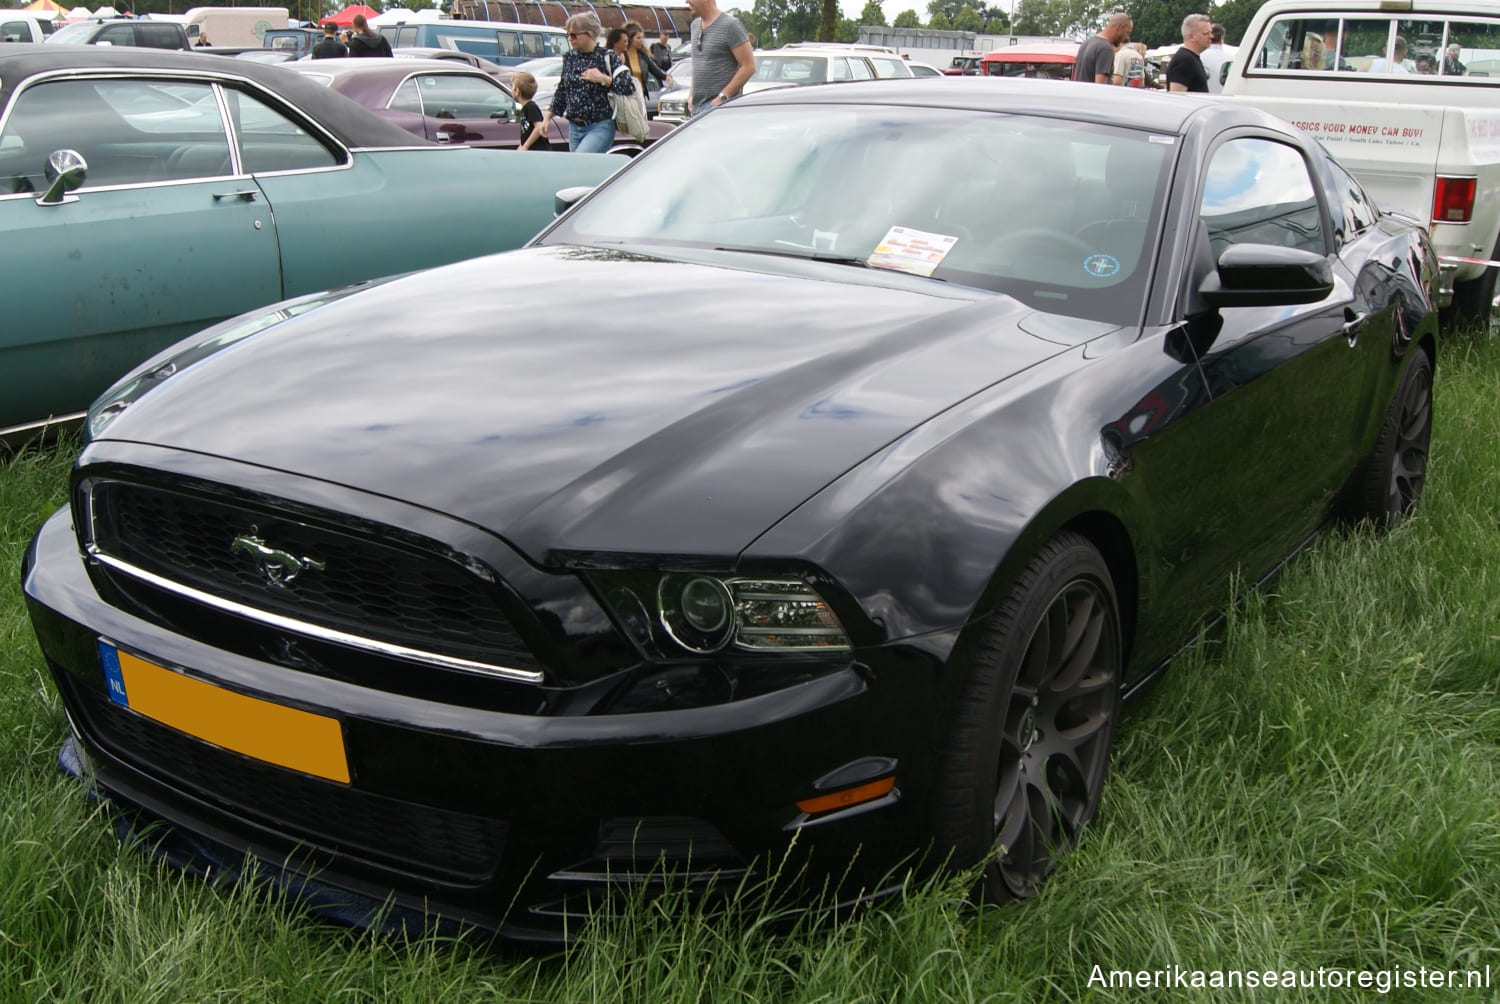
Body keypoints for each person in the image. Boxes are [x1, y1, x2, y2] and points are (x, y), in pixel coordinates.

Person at [541, 13, 636, 153]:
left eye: (574, 35)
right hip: (574, 127)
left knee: (578, 163)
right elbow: (562, 90)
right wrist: (547, 118)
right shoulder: (570, 57)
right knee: (580, 171)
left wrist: (603, 79)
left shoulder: (607, 56)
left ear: (589, 34)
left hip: (599, 125)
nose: (570, 39)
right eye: (568, 35)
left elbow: (628, 86)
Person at [686, 0, 754, 115]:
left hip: (722, 112)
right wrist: (691, 94)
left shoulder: (731, 26)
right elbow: (698, 64)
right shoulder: (694, 26)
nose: (686, 1)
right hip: (696, 110)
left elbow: (749, 67)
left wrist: (721, 99)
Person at [622, 21, 669, 114]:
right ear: (630, 38)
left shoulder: (642, 55)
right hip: (627, 97)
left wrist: (666, 76)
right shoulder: (621, 55)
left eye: (642, 37)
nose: (641, 40)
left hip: (640, 96)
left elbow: (655, 69)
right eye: (638, 38)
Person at [1073, 12, 1131, 83]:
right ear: (1120, 28)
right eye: (1127, 33)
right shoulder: (1105, 49)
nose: (1126, 37)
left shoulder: (1086, 43)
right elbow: (1100, 87)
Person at [1166, 13, 1212, 92]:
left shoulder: (1191, 58)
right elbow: (1177, 97)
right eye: (1206, 33)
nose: (1211, 36)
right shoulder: (1184, 61)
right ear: (1191, 36)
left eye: (1211, 32)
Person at [512, 71, 551, 151]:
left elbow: (538, 127)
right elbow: (525, 132)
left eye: (512, 86)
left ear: (517, 91)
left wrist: (526, 146)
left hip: (538, 150)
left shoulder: (531, 107)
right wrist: (521, 145)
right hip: (531, 151)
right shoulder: (523, 108)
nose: (511, 89)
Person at [1200, 22, 1228, 92]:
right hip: (1226, 98)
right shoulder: (1232, 58)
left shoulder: (1199, 57)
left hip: (1203, 98)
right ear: (1222, 38)